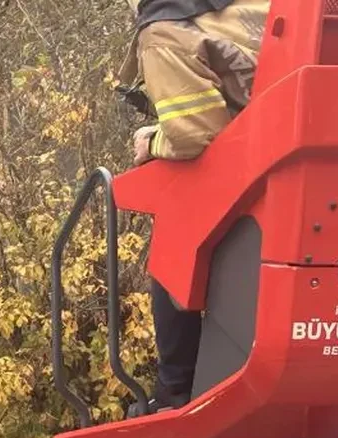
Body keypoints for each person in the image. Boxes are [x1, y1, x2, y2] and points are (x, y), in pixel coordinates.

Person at [118, 0, 268, 413]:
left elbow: (195, 137)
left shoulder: (164, 32)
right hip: (318, 160)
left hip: (258, 182)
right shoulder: (253, 7)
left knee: (175, 232)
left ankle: (176, 391)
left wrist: (152, 141)